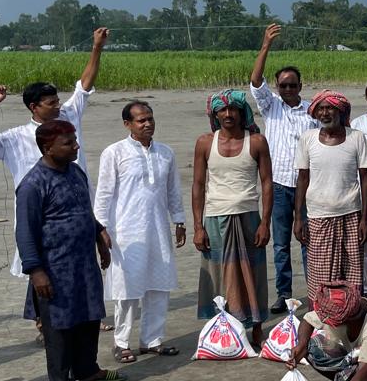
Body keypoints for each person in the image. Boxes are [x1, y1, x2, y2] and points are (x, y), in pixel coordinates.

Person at [0, 27, 108, 336]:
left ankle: (86, 314)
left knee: (79, 262)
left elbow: (85, 84)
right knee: (40, 266)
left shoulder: (69, 118)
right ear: (35, 107)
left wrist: (96, 46)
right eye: (50, 102)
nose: (58, 105)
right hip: (40, 213)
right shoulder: (17, 136)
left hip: (75, 207)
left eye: (57, 100)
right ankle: (43, 320)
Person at [16, 121, 124, 381]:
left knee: (89, 316)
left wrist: (99, 233)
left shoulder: (75, 172)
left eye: (75, 140)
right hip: (54, 267)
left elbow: (83, 210)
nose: (76, 146)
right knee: (60, 325)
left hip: (83, 263)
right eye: (68, 142)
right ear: (47, 147)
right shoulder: (33, 184)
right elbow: (25, 232)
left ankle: (88, 370)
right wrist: (36, 271)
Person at [94, 101, 185, 362]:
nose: (147, 124)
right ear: (127, 124)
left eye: (150, 119)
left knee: (158, 286)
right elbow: (104, 195)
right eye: (141, 120)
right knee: (127, 290)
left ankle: (152, 340)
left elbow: (172, 191)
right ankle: (121, 342)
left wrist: (179, 220)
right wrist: (100, 229)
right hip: (125, 232)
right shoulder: (114, 153)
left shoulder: (165, 153)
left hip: (157, 230)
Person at [192, 91, 273, 347]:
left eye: (233, 110)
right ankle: (223, 329)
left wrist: (265, 223)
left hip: (249, 216)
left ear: (242, 112)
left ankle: (257, 327)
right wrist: (197, 227)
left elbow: (267, 183)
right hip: (215, 217)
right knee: (218, 274)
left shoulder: (257, 141)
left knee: (254, 272)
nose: (228, 115)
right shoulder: (205, 142)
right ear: (215, 115)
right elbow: (197, 185)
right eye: (222, 111)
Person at [249, 23, 318, 313]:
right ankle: (284, 293)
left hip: (307, 185)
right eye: (283, 85)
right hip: (277, 185)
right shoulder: (271, 106)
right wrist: (265, 45)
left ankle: (313, 292)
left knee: (307, 241)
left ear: (300, 87)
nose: (288, 89)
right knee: (280, 245)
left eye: (293, 85)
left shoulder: (313, 111)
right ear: (278, 87)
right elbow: (254, 82)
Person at [294, 90, 367, 305]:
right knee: (319, 278)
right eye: (321, 109)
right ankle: (319, 322)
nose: (325, 113)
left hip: (351, 216)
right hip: (318, 217)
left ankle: (351, 324)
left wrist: (365, 219)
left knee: (352, 279)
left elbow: (365, 179)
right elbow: (302, 179)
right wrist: (298, 218)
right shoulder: (307, 139)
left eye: (330, 108)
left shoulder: (356, 137)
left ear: (340, 111)